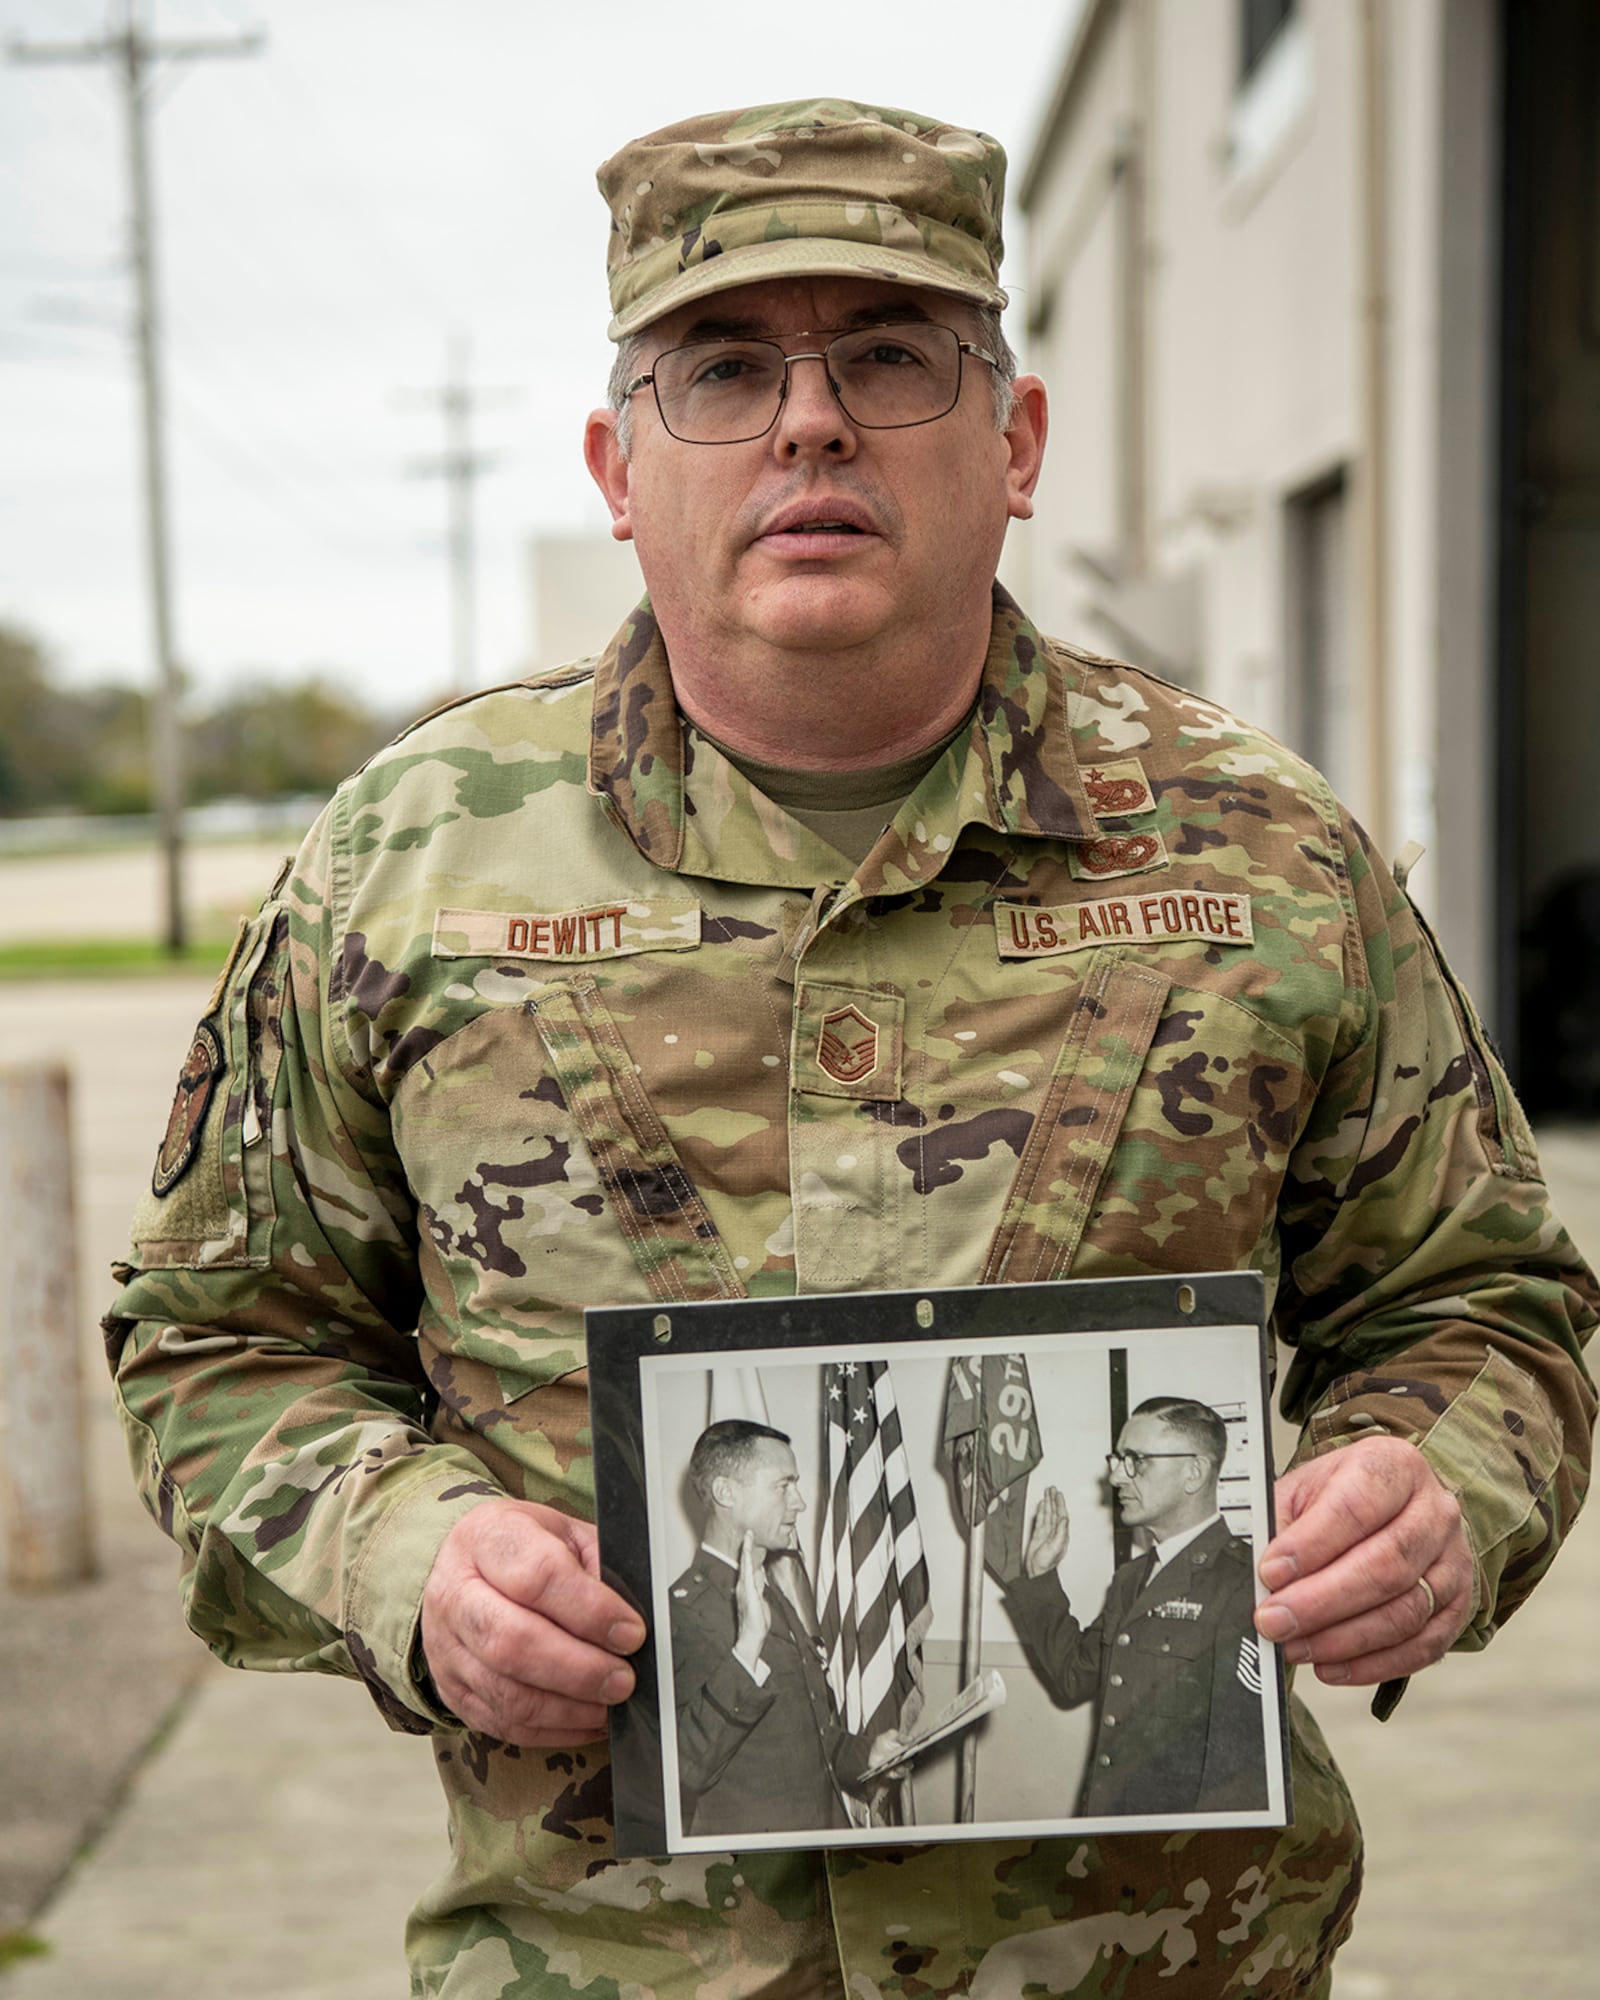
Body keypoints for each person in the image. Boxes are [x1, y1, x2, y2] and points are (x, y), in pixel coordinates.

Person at [104, 97, 1596, 2000]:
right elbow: (222, 1338)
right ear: (615, 467)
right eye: (721, 368)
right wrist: (404, 1556)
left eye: (890, 357)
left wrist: (1437, 1488)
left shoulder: (1263, 853)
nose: (810, 423)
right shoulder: (406, 865)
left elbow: (1482, 1301)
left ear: (1018, 438)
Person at [1006, 1397, 1267, 1816]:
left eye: (1135, 1460)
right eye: (1117, 1459)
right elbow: (1075, 1676)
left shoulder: (1243, 1584)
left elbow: (1241, 1770)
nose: (1114, 1475)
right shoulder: (1133, 1578)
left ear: (1194, 1472)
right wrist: (1041, 1577)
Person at [669, 1419, 901, 1835]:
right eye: (783, 1485)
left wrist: (866, 1755)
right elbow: (684, 1769)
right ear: (726, 1492)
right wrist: (748, 1647)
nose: (800, 1503)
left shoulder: (774, 1591)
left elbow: (806, 1734)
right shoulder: (682, 1612)